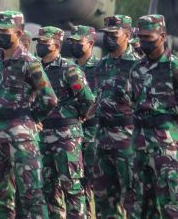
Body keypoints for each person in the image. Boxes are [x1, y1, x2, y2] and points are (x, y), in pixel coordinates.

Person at [0, 10, 57, 218]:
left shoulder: (29, 62)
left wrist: (32, 119)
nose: (0, 34)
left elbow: (49, 98)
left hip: (22, 138)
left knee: (31, 196)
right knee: (0, 197)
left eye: (5, 31)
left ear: (18, 33)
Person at [34, 26, 94, 218]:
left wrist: (78, 116)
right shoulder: (34, 70)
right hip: (42, 136)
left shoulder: (70, 70)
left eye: (45, 42)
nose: (41, 46)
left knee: (72, 188)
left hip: (67, 136)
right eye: (39, 42)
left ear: (57, 45)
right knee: (48, 188)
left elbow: (88, 99)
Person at [129, 14, 178, 217]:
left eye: (149, 37)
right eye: (141, 37)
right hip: (140, 143)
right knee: (142, 205)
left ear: (162, 36)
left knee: (170, 203)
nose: (144, 42)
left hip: (166, 146)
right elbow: (134, 102)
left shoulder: (173, 66)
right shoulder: (136, 68)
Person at [93, 15, 139, 218]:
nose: (108, 39)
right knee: (104, 200)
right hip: (103, 139)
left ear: (127, 35)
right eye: (106, 34)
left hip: (127, 141)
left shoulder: (138, 66)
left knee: (131, 197)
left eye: (114, 34)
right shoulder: (102, 65)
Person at [67, 25, 100, 218]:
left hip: (92, 132)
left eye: (78, 42)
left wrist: (83, 113)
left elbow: (97, 99)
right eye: (72, 42)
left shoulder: (99, 68)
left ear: (90, 43)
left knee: (96, 183)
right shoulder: (68, 68)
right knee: (77, 185)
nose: (74, 45)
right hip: (71, 135)